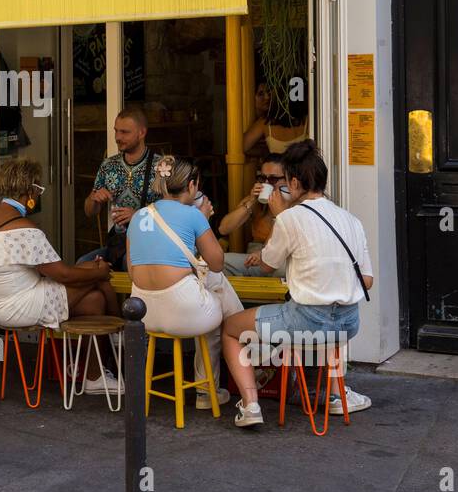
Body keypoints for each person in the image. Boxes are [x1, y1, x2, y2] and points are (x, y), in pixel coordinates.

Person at [221, 139, 374, 429]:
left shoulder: (289, 218)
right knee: (328, 331)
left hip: (304, 324)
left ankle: (251, 404)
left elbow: (266, 264)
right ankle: (335, 395)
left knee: (230, 329)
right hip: (347, 324)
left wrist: (280, 214)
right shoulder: (351, 220)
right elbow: (366, 280)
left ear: (293, 182)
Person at [0, 159, 120, 394]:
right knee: (97, 277)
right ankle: (123, 336)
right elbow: (63, 274)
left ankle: (96, 375)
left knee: (95, 300)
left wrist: (91, 270)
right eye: (38, 189)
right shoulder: (24, 229)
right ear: (30, 191)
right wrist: (99, 271)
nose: (39, 195)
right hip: (21, 307)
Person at [126, 155, 242, 409]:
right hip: (183, 311)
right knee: (216, 280)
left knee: (210, 292)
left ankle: (207, 389)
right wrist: (204, 221)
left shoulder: (137, 216)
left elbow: (133, 271)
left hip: (144, 313)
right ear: (191, 185)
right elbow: (217, 262)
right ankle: (214, 383)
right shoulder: (193, 215)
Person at [82, 108, 157, 268]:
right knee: (83, 264)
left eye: (124, 132)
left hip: (150, 244)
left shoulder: (161, 167)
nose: (117, 137)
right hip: (118, 245)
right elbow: (89, 211)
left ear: (142, 133)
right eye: (116, 131)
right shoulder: (108, 165)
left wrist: (137, 216)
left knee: (126, 265)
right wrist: (94, 199)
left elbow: (172, 214)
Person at [217, 155, 287, 278]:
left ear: (288, 180)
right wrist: (251, 201)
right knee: (220, 262)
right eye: (262, 178)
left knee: (284, 269)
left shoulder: (294, 203)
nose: (266, 183)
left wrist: (263, 253)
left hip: (281, 259)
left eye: (273, 179)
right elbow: (224, 228)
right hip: (255, 257)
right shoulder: (256, 202)